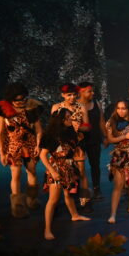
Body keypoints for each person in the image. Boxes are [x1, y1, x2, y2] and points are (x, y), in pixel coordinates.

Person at [39, 108, 90, 239]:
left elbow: (75, 150)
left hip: (69, 167)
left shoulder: (70, 133)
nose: (70, 119)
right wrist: (52, 171)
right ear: (61, 120)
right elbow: (43, 155)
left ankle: (75, 215)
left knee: (69, 194)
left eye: (70, 117)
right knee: (53, 200)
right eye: (68, 117)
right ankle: (47, 229)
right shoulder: (52, 136)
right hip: (56, 168)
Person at [0, 82, 42, 218]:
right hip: (13, 146)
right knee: (16, 175)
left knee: (32, 171)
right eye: (17, 100)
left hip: (30, 144)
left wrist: (38, 145)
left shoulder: (31, 108)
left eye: (23, 99)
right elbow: (0, 133)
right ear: (11, 99)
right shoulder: (3, 110)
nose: (21, 102)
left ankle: (32, 199)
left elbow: (38, 129)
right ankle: (18, 206)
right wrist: (2, 152)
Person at [50, 84, 93, 211]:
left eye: (74, 94)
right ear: (63, 95)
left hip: (78, 145)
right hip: (61, 146)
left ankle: (85, 201)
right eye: (69, 95)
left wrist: (79, 127)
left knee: (81, 173)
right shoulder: (56, 107)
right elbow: (52, 126)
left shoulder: (81, 107)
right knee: (60, 172)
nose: (72, 97)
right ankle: (55, 204)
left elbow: (87, 126)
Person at [77, 82, 104, 200]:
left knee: (95, 165)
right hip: (80, 141)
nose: (93, 93)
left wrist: (106, 136)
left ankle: (97, 188)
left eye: (93, 91)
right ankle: (79, 190)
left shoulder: (96, 103)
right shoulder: (75, 105)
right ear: (81, 92)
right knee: (79, 167)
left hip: (94, 138)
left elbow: (101, 121)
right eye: (89, 91)